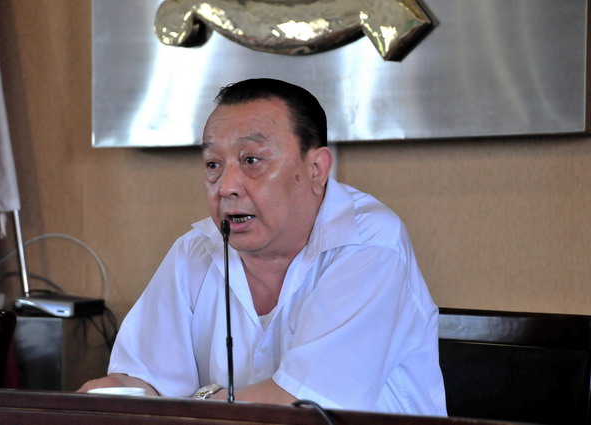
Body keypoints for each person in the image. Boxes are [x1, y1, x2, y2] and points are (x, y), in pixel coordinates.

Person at [79, 78, 446, 415]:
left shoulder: (369, 244)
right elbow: (145, 380)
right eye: (213, 164)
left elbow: (303, 409)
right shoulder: (195, 252)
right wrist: (108, 394)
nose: (226, 187)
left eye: (251, 160)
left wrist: (192, 403)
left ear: (317, 169)